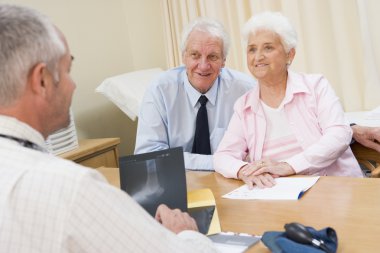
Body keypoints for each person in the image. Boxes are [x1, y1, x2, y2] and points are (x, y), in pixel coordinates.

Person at [0, 4, 216, 252]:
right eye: (67, 69)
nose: (73, 85)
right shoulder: (72, 189)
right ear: (42, 80)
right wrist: (187, 234)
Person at [214, 11, 363, 189]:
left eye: (268, 48)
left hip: (333, 188)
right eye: (252, 49)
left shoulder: (316, 86)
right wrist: (244, 170)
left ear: (289, 54)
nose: (258, 56)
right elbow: (222, 156)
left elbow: (339, 135)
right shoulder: (244, 105)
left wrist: (289, 166)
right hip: (276, 197)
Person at [134, 17, 255, 170]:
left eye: (212, 56)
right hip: (178, 181)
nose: (203, 66)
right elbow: (148, 155)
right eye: (195, 55)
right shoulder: (159, 90)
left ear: (224, 60)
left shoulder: (246, 89)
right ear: (184, 57)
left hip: (232, 181)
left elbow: (257, 151)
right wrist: (220, 163)